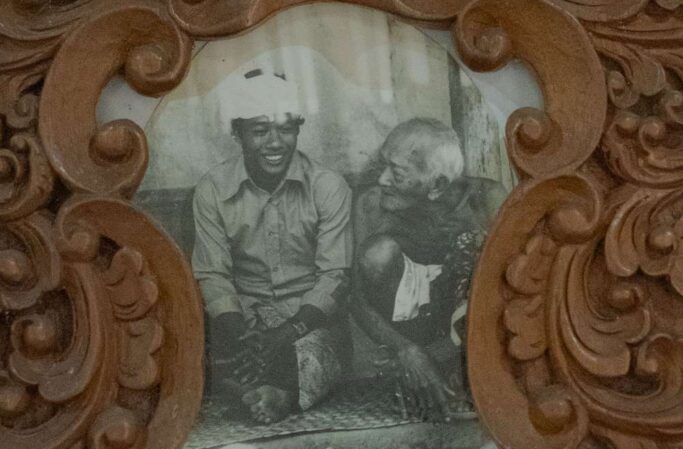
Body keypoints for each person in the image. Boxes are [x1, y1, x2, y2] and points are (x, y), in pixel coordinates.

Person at [192, 69, 353, 425]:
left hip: (308, 319)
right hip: (242, 321)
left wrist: (290, 331)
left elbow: (334, 276)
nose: (275, 142)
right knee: (206, 361)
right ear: (238, 133)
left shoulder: (327, 186)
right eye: (260, 130)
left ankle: (278, 395)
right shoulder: (213, 189)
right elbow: (213, 275)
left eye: (285, 128)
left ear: (298, 127)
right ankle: (270, 391)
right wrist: (243, 336)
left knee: (315, 356)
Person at [352, 117, 505, 423]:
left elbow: (508, 293)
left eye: (396, 173)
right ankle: (418, 376)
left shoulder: (485, 201)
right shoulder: (373, 205)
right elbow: (357, 299)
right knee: (377, 254)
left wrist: (436, 356)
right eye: (383, 166)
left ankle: (457, 378)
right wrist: (408, 352)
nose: (382, 180)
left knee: (474, 249)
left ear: (437, 185)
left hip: (472, 334)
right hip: (411, 336)